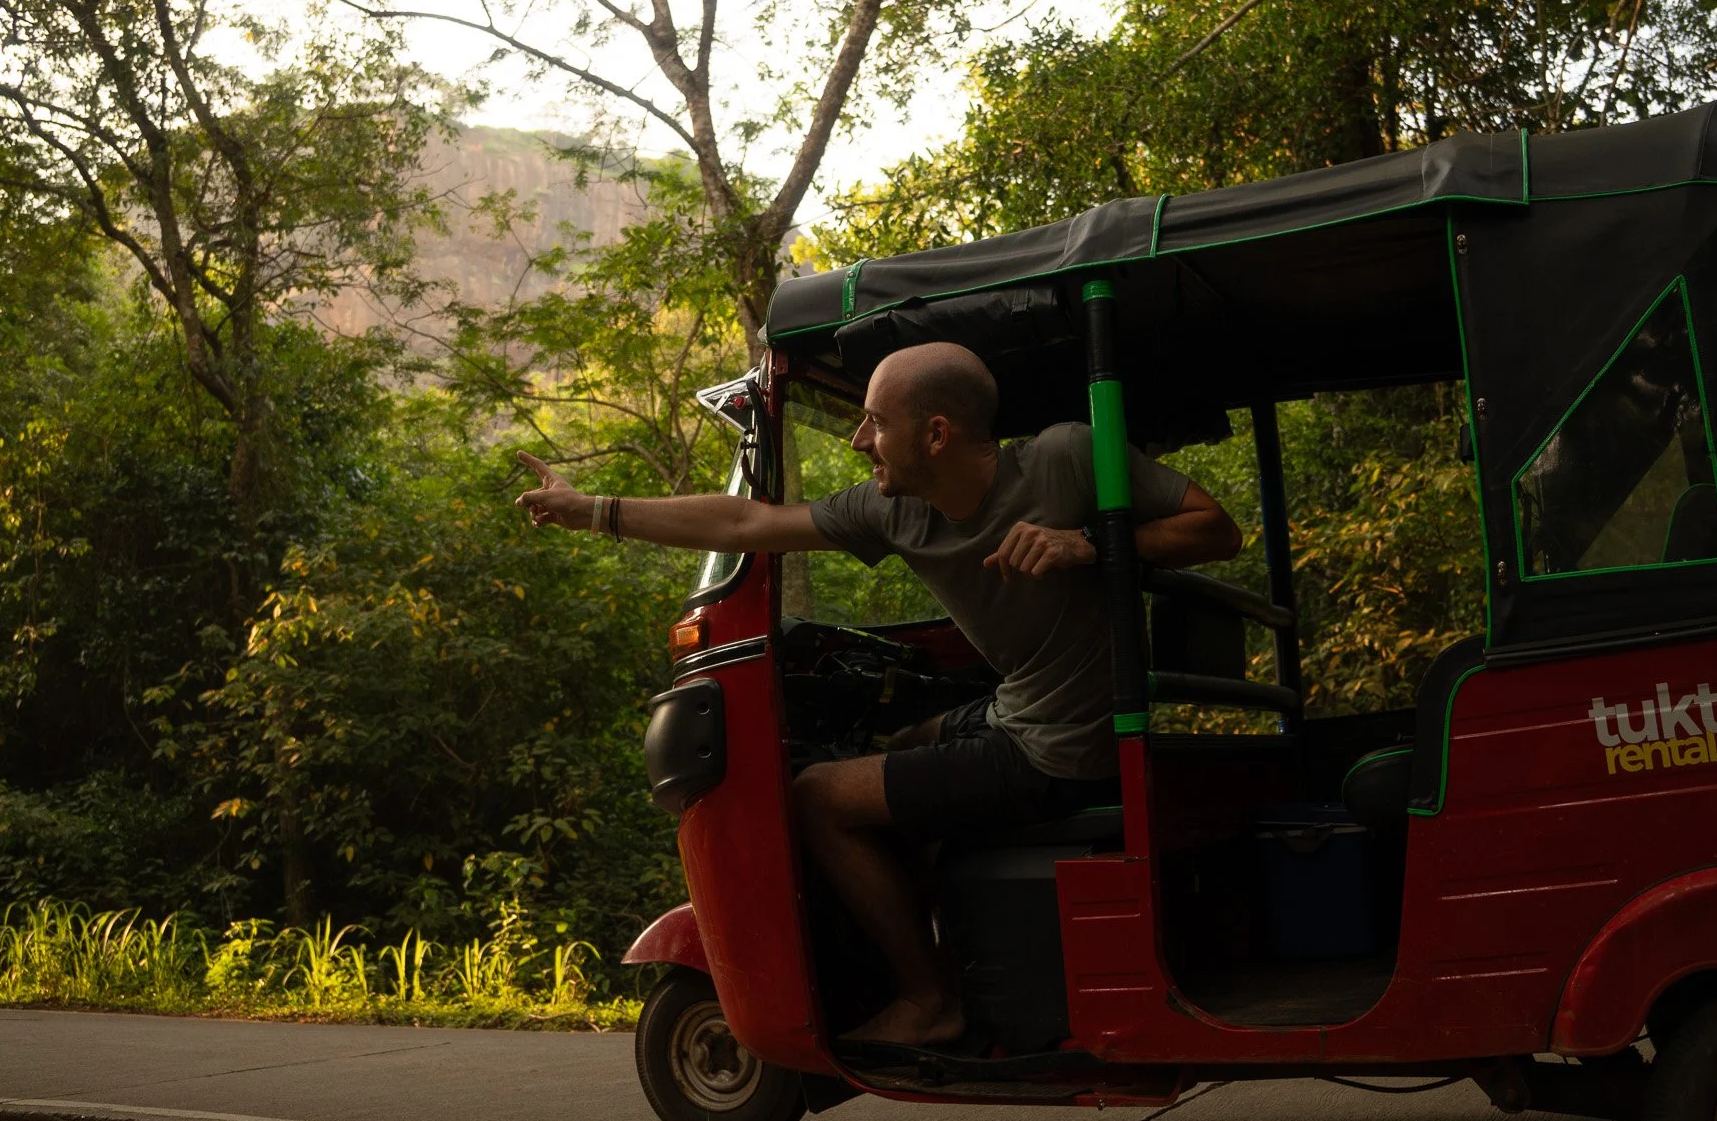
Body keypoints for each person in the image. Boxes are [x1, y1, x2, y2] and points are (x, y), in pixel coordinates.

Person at [515, 341, 1240, 1047]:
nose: (862, 439)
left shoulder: (1064, 457)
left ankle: (929, 999)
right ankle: (939, 927)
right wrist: (595, 510)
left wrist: (1090, 542)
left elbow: (1216, 528)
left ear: (935, 433)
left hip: (1060, 749)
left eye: (875, 421)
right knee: (908, 743)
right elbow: (746, 523)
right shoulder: (896, 510)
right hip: (1015, 711)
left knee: (817, 797)